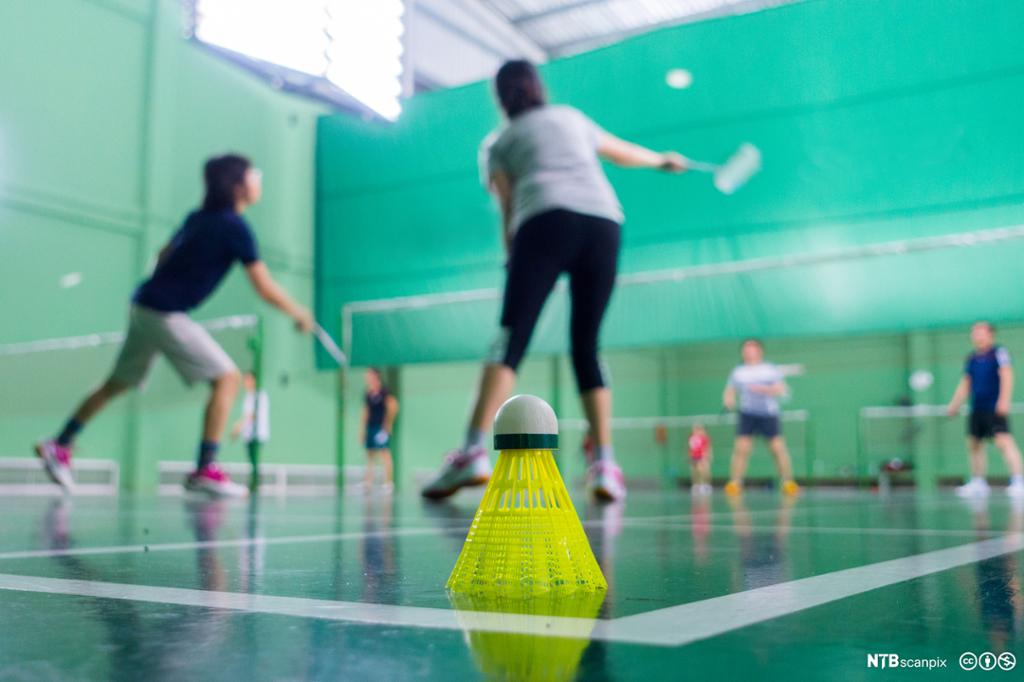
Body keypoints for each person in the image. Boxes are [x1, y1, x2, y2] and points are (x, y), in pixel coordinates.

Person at [421, 60, 688, 502]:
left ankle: (471, 450)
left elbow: (507, 206)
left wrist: (513, 257)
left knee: (510, 339)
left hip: (543, 222)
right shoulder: (570, 118)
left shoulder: (498, 142)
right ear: (537, 87)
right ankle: (604, 464)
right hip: (604, 223)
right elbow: (620, 151)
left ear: (502, 98)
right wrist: (662, 160)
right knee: (587, 345)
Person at [36, 154, 313, 497]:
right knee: (227, 379)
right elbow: (263, 286)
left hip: (143, 303)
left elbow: (161, 256)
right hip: (163, 311)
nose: (259, 180)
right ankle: (205, 469)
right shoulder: (235, 227)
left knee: (118, 382)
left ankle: (59, 444)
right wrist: (300, 313)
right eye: (254, 174)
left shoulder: (198, 218)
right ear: (238, 185)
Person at [945, 321, 1024, 498]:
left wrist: (1004, 401)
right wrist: (954, 404)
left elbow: (1007, 375)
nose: (977, 335)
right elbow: (966, 383)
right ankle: (978, 482)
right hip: (977, 407)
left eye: (980, 332)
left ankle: (1019, 481)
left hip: (993, 407)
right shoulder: (971, 357)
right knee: (974, 444)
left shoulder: (999, 353)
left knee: (1004, 442)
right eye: (974, 332)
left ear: (990, 334)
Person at [722, 339, 799, 496]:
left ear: (759, 351)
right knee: (741, 449)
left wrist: (762, 389)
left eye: (752, 348)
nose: (748, 351)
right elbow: (729, 390)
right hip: (747, 414)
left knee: (778, 449)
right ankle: (735, 483)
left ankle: (788, 481)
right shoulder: (738, 372)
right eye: (745, 348)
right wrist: (728, 400)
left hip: (768, 414)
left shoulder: (770, 369)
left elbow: (781, 389)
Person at [362, 368, 399, 491]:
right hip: (371, 427)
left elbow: (393, 406)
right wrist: (362, 429)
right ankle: (368, 482)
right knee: (370, 455)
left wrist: (387, 424)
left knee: (384, 453)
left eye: (369, 375)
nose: (367, 378)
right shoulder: (368, 394)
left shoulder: (384, 392)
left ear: (376, 376)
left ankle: (388, 483)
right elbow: (365, 411)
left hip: (381, 428)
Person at [231, 371, 270, 470]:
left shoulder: (260, 395)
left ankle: (256, 481)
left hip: (257, 436)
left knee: (255, 462)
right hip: (248, 435)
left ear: (254, 380)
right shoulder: (248, 396)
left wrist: (239, 426)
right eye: (245, 380)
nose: (246, 382)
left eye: (248, 379)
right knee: (252, 462)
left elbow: (252, 415)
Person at [688, 424, 713, 495]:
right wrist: (690, 456)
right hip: (694, 456)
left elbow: (708, 447)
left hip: (702, 456)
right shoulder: (691, 438)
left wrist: (707, 455)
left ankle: (706, 485)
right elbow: (690, 448)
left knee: (703, 470)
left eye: (699, 429)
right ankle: (696, 485)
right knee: (694, 471)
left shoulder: (704, 438)